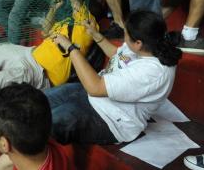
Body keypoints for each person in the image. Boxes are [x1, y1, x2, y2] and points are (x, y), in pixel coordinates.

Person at [45, 10, 182, 145]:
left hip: (111, 120)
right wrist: (95, 34)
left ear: (138, 43)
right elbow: (118, 55)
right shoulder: (148, 45)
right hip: (96, 96)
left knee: (50, 122)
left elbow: (95, 88)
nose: (124, 37)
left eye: (126, 34)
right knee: (39, 101)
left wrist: (70, 48)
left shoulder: (153, 72)